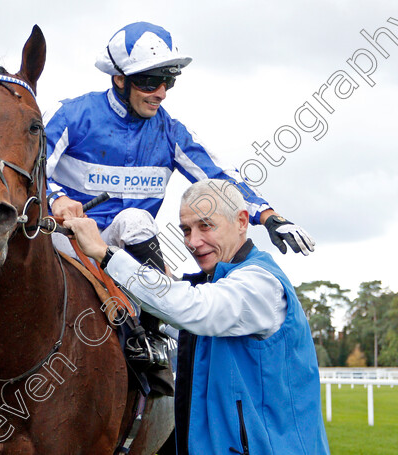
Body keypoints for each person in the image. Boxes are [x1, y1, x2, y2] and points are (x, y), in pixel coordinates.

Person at [43, 22, 314, 371]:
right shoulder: (70, 114)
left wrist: (268, 215)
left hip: (123, 251)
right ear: (119, 79)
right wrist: (56, 199)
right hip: (65, 242)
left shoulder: (170, 132)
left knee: (135, 220)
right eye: (149, 82)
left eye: (168, 81)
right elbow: (25, 171)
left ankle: (152, 334)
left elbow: (220, 179)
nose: (161, 93)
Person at [64, 179, 330, 455]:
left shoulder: (259, 283)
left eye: (206, 226)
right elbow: (180, 309)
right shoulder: (216, 286)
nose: (193, 242)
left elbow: (191, 308)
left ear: (241, 222)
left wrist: (104, 253)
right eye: (186, 230)